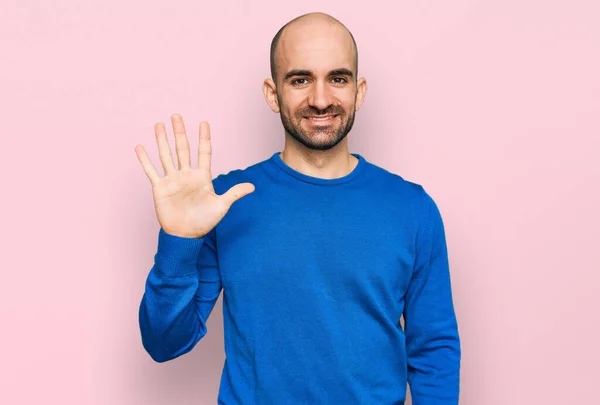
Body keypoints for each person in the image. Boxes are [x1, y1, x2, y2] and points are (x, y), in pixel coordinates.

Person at [135, 11, 461, 405]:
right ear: (273, 94)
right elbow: (164, 342)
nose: (320, 100)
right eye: (300, 79)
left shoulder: (413, 209)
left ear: (359, 91)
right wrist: (178, 243)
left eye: (337, 79)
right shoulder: (222, 201)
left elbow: (434, 350)